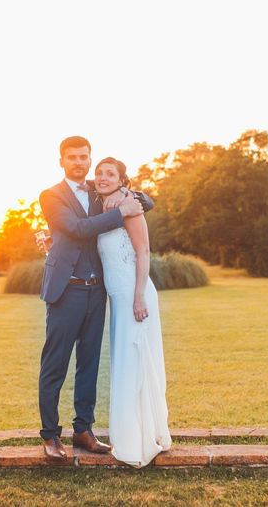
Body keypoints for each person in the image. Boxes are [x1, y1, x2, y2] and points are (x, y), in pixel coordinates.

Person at [36, 136, 153, 460]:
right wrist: (120, 213)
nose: (78, 162)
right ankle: (50, 435)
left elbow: (146, 201)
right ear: (62, 161)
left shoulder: (96, 189)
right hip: (66, 290)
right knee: (55, 365)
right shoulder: (51, 196)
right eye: (71, 157)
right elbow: (75, 228)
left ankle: (83, 430)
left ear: (90, 159)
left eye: (83, 157)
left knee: (89, 364)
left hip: (96, 290)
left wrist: (132, 199)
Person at [93, 157, 172, 467]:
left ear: (122, 179)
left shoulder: (130, 203)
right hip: (117, 296)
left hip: (133, 295)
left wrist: (139, 296)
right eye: (99, 172)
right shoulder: (99, 202)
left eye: (110, 173)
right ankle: (133, 432)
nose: (102, 177)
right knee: (127, 363)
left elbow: (143, 251)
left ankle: (138, 439)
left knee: (135, 362)